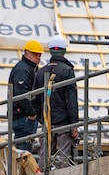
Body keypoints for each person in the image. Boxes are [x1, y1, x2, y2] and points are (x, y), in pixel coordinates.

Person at [35, 35, 79, 163]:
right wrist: (74, 123)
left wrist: (42, 117)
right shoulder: (67, 71)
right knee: (64, 157)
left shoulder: (40, 72)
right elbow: (71, 100)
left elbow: (34, 99)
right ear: (64, 51)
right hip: (63, 122)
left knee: (45, 154)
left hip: (47, 121)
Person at [8, 40, 43, 151]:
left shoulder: (31, 69)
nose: (38, 57)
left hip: (24, 115)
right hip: (23, 116)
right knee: (23, 150)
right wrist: (31, 113)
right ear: (26, 53)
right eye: (35, 54)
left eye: (39, 55)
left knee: (25, 149)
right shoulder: (23, 70)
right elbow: (21, 94)